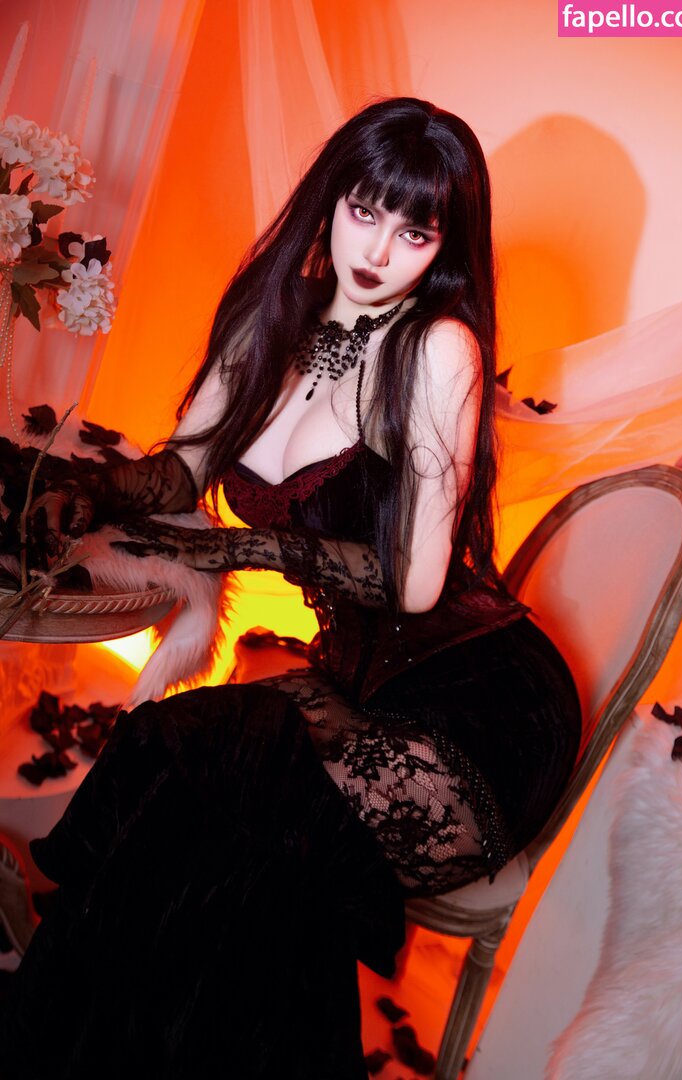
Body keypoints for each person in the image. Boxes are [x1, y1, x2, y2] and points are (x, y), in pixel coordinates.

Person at [4, 97, 581, 1078]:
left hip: (478, 709)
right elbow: (184, 468)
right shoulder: (272, 317)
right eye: (365, 211)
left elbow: (413, 583)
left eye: (414, 233)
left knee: (222, 784)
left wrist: (239, 554)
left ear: (443, 246)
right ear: (331, 197)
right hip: (353, 684)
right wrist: (83, 488)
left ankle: (74, 1009)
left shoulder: (438, 348)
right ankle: (85, 1027)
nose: (379, 250)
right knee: (191, 780)